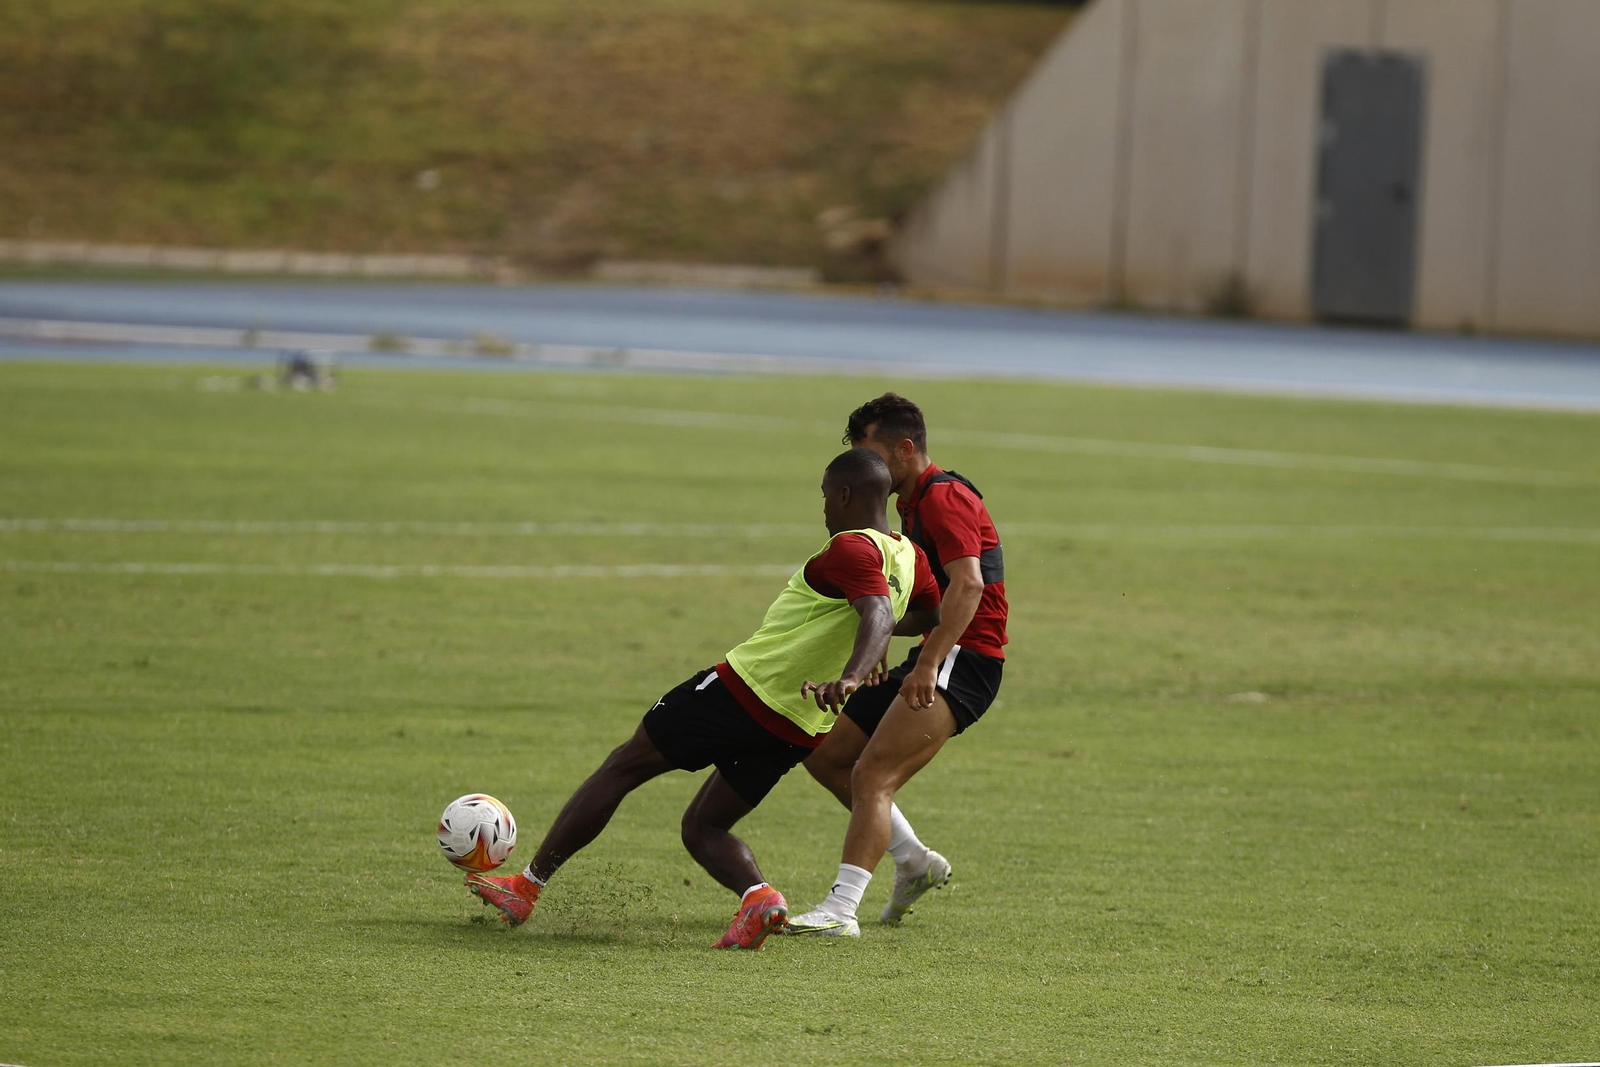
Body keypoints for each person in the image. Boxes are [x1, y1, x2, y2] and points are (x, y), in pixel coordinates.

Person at [465, 447, 941, 950]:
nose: (823, 507)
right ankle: (759, 898)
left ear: (844, 495)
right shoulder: (910, 558)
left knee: (624, 765)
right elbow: (922, 616)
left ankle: (526, 886)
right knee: (703, 826)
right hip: (799, 725)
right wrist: (865, 641)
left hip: (742, 690)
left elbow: (880, 615)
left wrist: (851, 673)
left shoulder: (850, 548)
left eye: (825, 496)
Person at [787, 393, 1008, 937]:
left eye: (873, 454)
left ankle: (842, 911)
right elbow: (921, 594)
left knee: (872, 774)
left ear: (906, 449)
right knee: (827, 754)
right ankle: (911, 861)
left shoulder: (944, 498)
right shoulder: (910, 502)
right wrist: (885, 632)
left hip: (964, 660)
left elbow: (969, 585)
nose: (866, 470)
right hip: (938, 650)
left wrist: (929, 663)